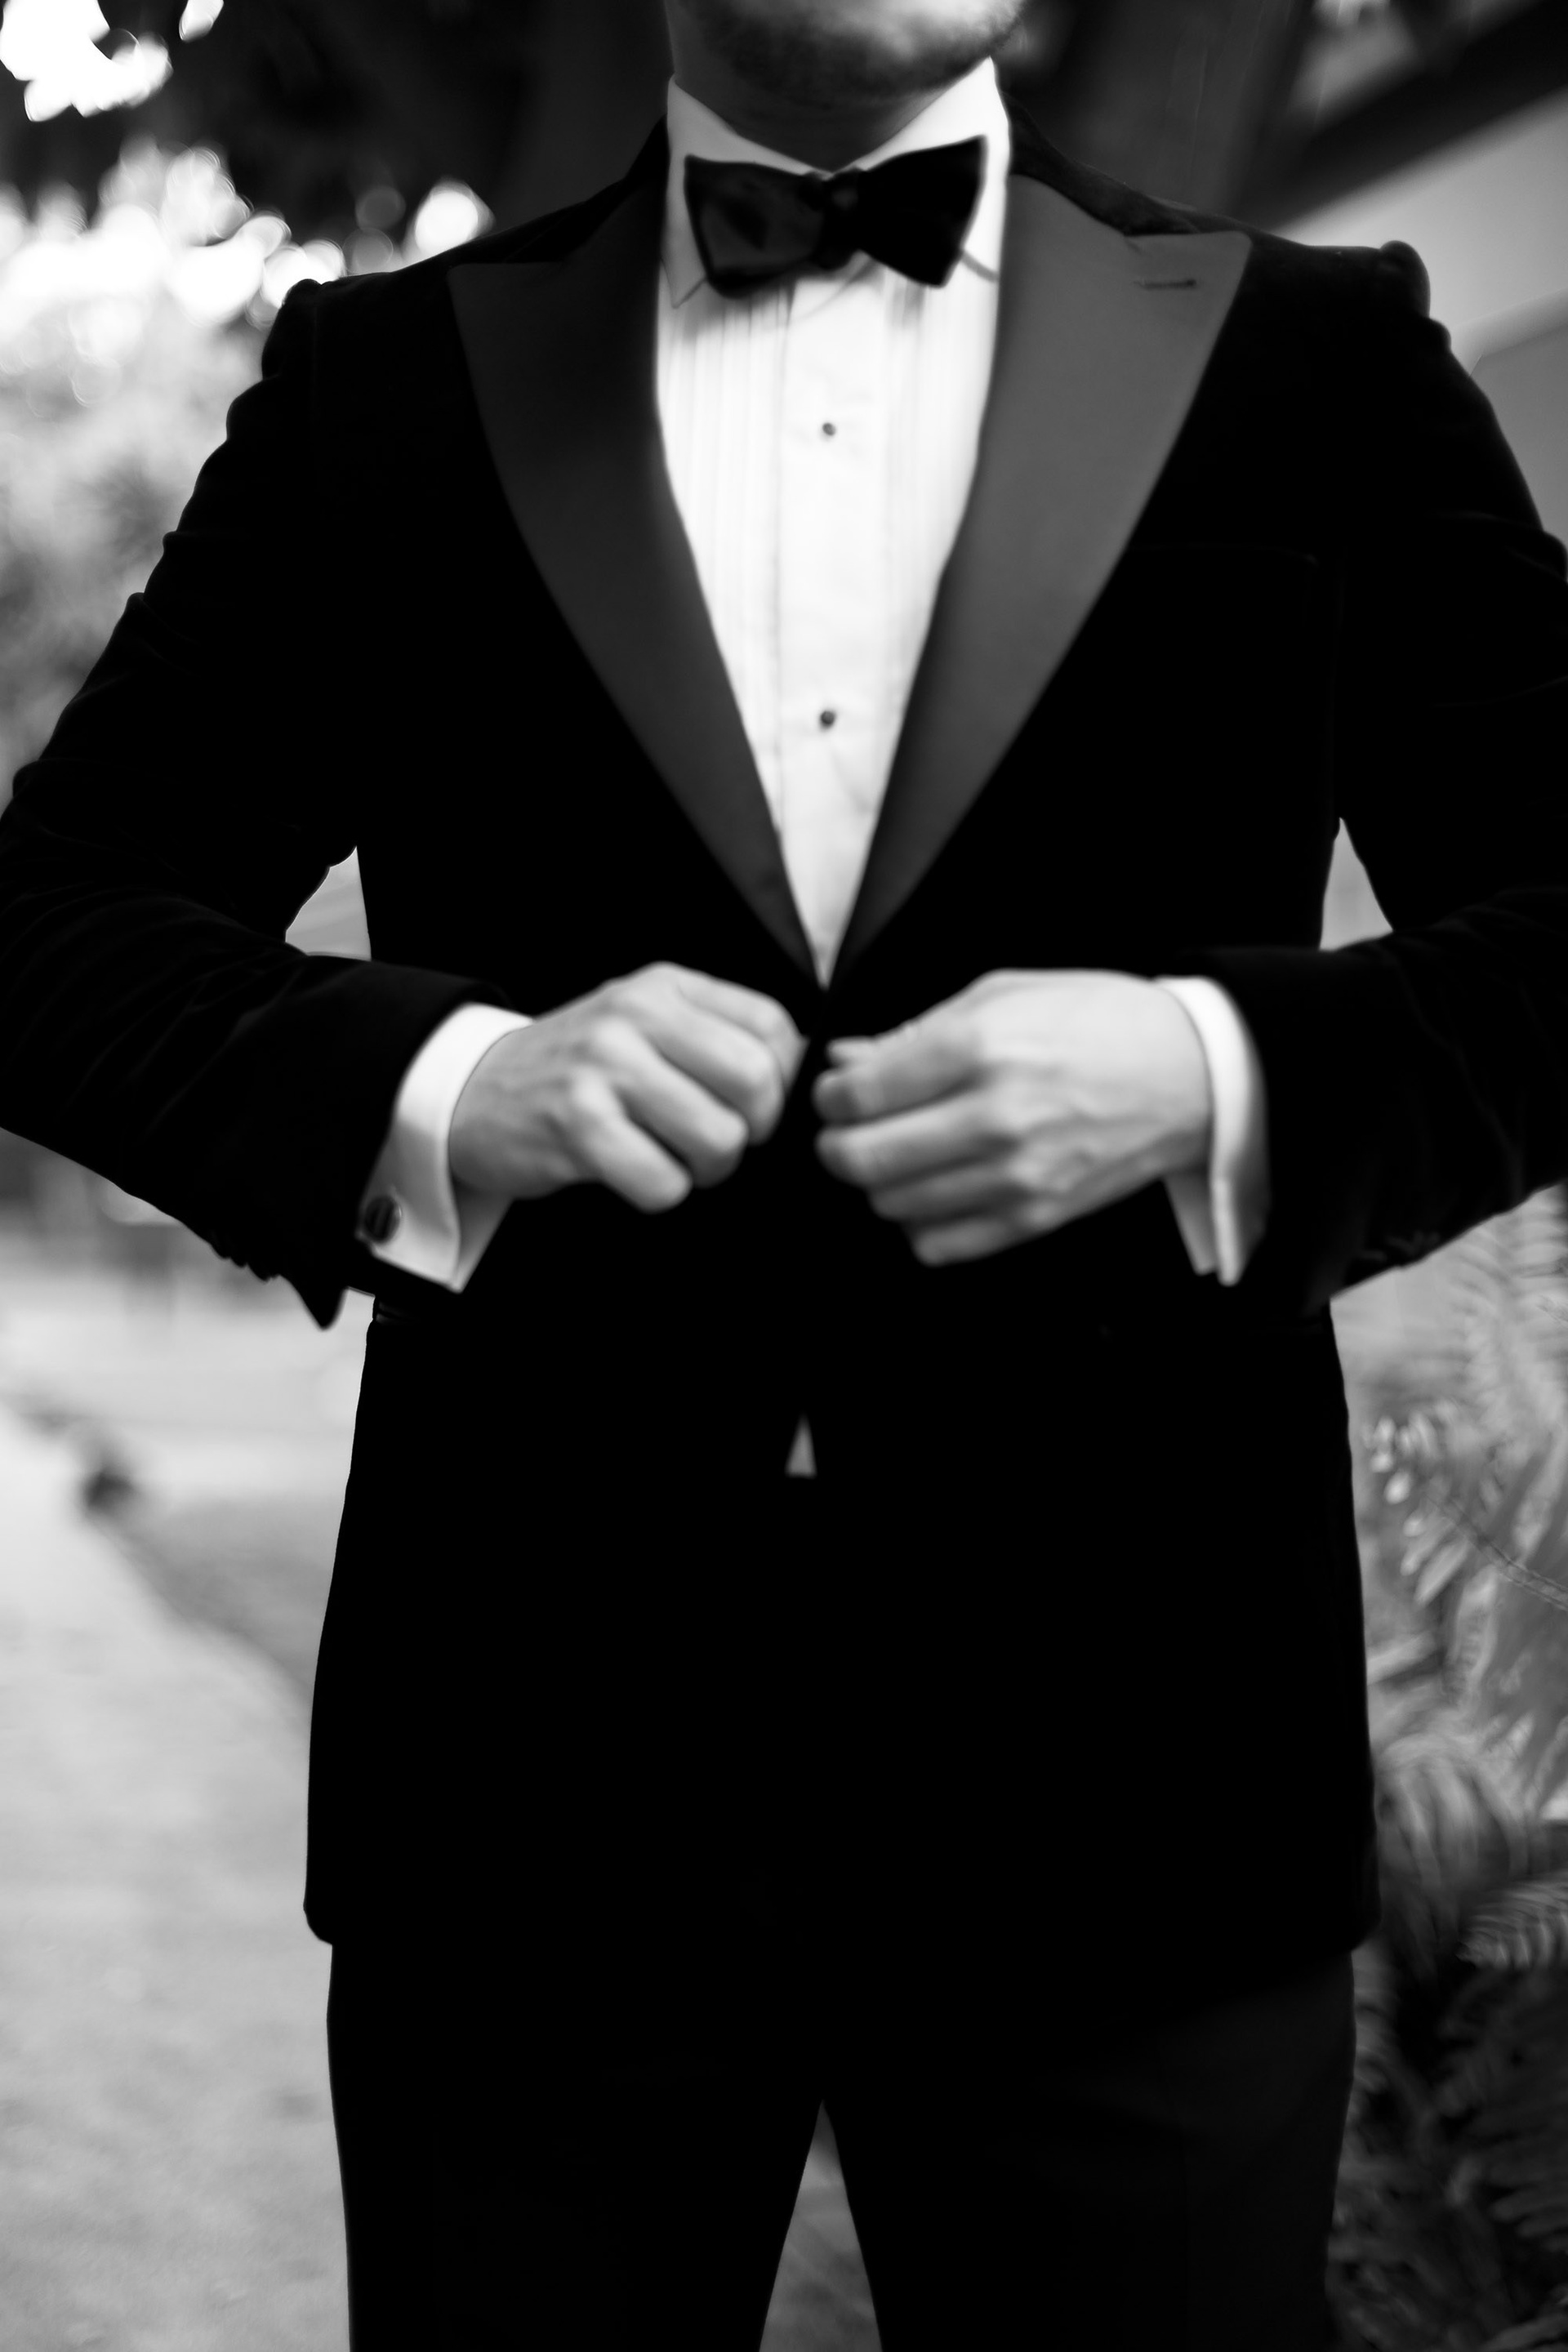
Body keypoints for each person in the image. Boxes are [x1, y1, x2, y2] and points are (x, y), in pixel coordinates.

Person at [2, 0, 1565, 2341]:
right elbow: (50, 926)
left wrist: (1214, 1068)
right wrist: (446, 1088)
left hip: (1146, 1781)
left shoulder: (1319, 355)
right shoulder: (381, 384)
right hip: (533, 1784)